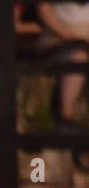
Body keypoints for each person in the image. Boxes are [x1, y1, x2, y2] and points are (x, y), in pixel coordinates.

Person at [38, 2, 89, 130]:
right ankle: (65, 118)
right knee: (78, 56)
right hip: (59, 35)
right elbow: (44, 10)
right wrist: (72, 37)